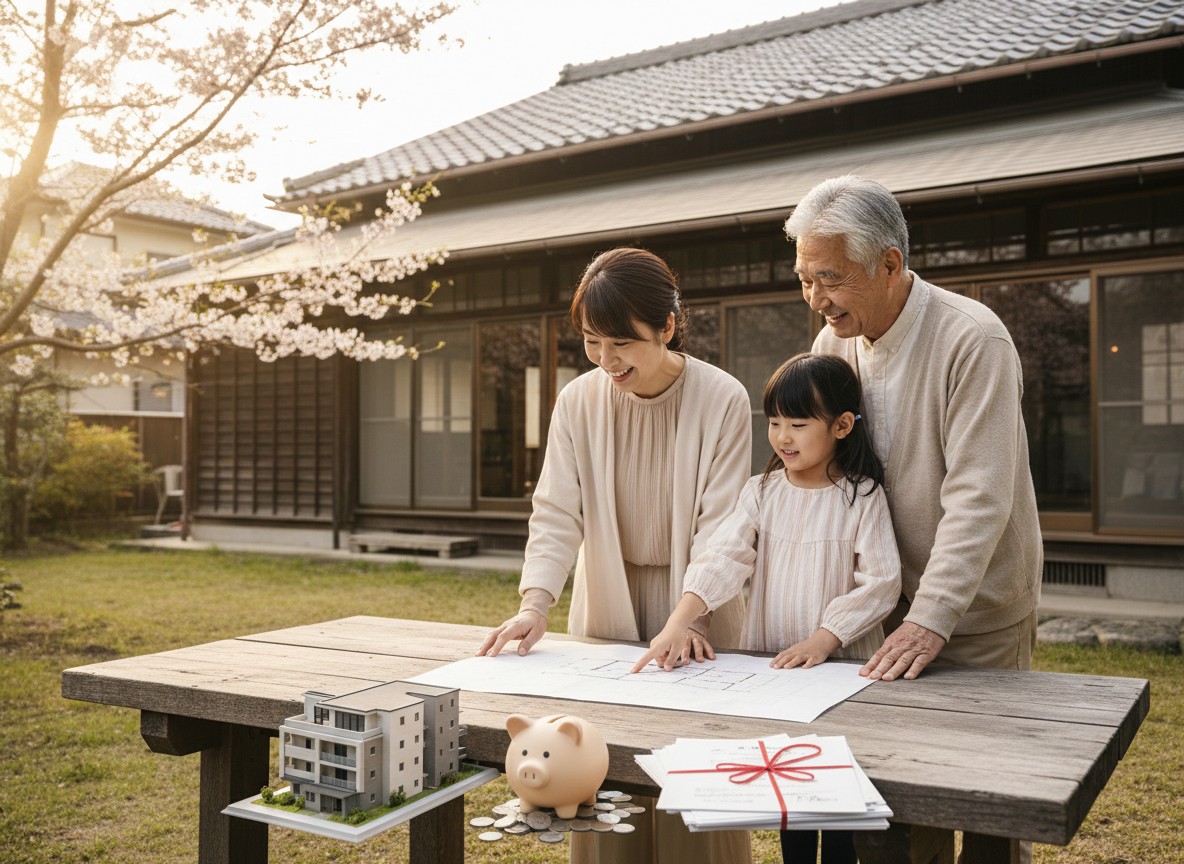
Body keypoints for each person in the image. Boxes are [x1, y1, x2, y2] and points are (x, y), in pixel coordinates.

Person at [786, 174, 1042, 863]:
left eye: (830, 279)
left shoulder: (971, 339)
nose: (817, 298)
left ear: (890, 264)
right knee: (897, 800)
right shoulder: (833, 345)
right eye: (806, 279)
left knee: (987, 803)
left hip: (977, 611)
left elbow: (980, 494)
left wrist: (933, 614)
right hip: (885, 613)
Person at [477, 246, 752, 864]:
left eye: (620, 343)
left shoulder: (723, 398)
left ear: (668, 327)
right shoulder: (578, 401)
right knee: (601, 786)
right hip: (608, 608)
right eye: (592, 342)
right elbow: (556, 510)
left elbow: (724, 525)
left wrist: (689, 619)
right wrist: (536, 602)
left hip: (699, 609)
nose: (606, 361)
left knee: (693, 789)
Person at [631, 352, 900, 864]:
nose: (782, 436)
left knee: (838, 791)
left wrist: (826, 639)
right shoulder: (762, 492)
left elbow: (883, 582)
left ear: (842, 425)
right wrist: (678, 622)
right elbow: (723, 558)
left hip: (840, 670)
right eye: (775, 422)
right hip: (776, 675)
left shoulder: (862, 496)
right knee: (789, 791)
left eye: (798, 423)